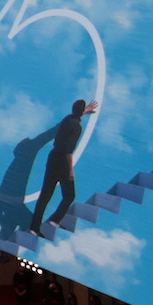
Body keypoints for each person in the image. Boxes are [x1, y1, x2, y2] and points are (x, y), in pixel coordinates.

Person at [30, 99, 97, 234]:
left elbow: (76, 115)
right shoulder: (77, 127)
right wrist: (70, 171)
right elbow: (68, 150)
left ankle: (34, 227)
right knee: (69, 195)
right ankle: (55, 219)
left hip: (53, 157)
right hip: (63, 162)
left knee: (45, 195)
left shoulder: (67, 119)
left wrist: (86, 110)